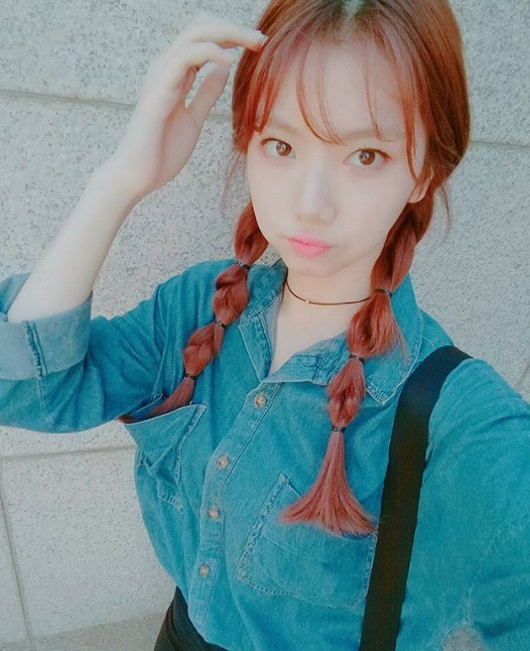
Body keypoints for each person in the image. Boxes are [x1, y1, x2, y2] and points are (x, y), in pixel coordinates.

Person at [1, 1, 529, 649]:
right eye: (280, 145)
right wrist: (119, 181)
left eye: (366, 155)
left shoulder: (459, 422)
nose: (310, 203)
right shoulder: (199, 307)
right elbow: (28, 390)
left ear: (424, 172)